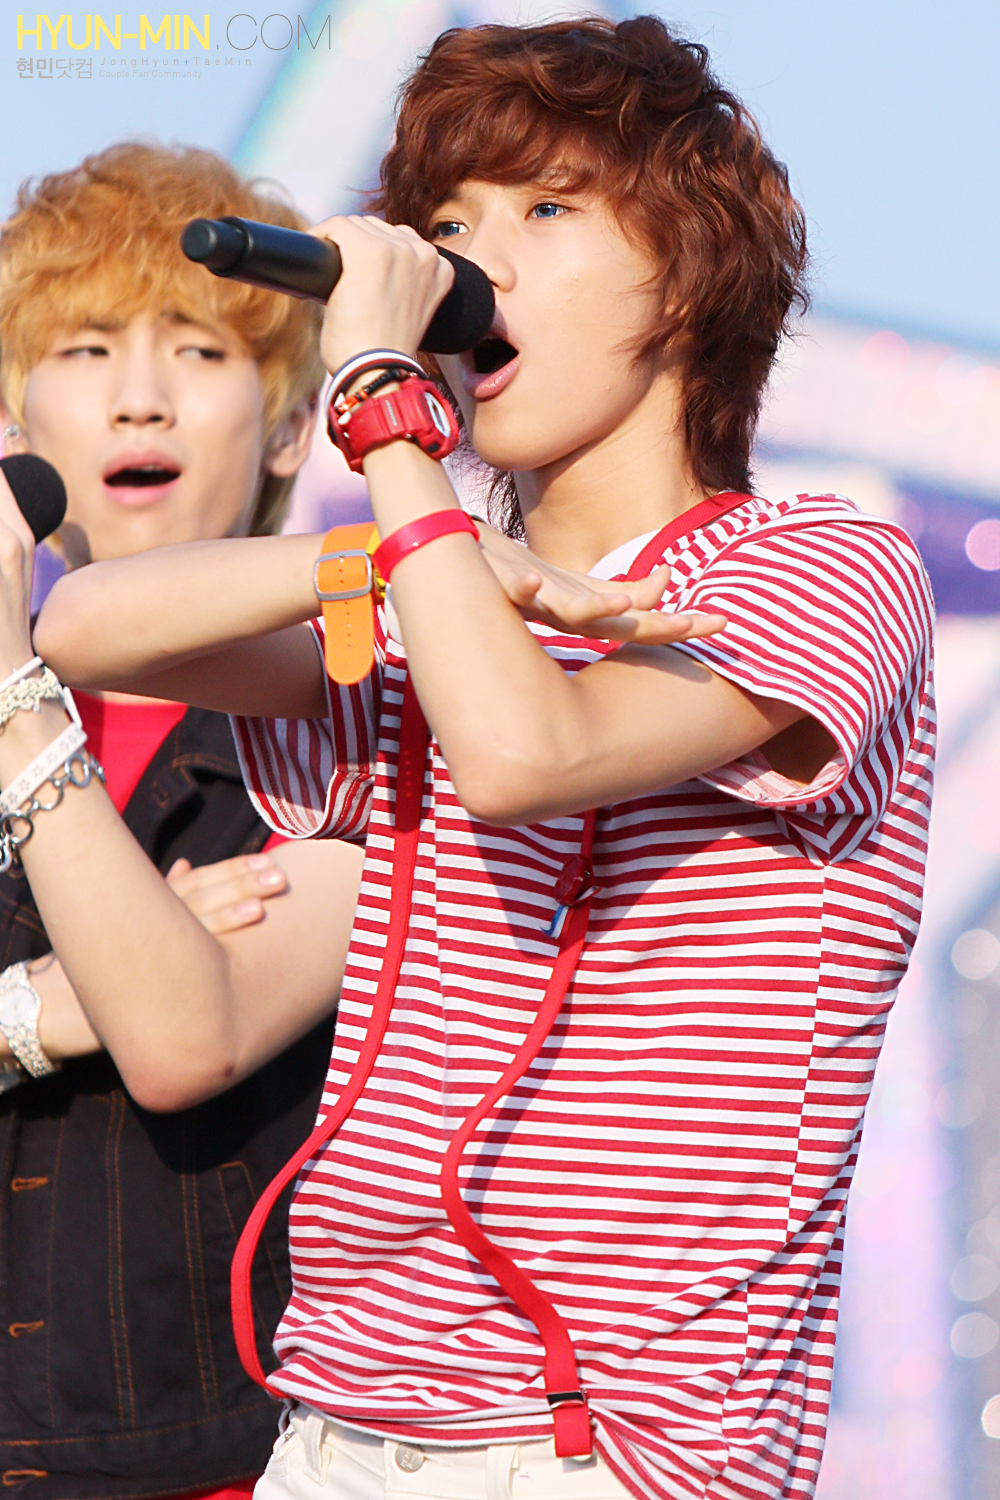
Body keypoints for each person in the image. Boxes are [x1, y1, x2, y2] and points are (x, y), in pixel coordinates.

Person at [27, 18, 933, 1500]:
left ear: (689, 274)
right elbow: (87, 630)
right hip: (338, 1428)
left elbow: (523, 750)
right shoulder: (428, 594)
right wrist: (390, 555)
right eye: (447, 225)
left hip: (613, 1447)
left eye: (547, 210)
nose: (472, 261)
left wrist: (386, 411)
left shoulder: (823, 566)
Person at [0, 144, 367, 1498]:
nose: (140, 396)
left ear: (289, 426)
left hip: (227, 1459)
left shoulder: (355, 714)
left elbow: (185, 1037)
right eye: (87, 348)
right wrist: (49, 1004)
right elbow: (109, 1007)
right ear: (14, 415)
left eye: (201, 352)